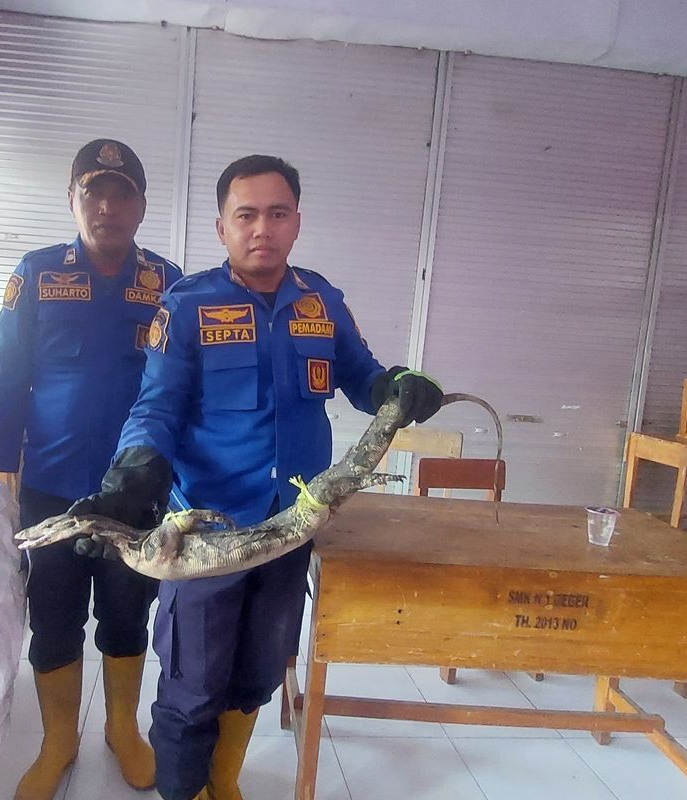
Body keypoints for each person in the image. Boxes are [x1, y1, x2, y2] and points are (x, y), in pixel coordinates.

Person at [70, 155, 444, 800]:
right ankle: (183, 790)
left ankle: (225, 782)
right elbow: (156, 404)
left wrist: (397, 385)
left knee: (258, 671)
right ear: (222, 228)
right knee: (192, 683)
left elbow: (362, 375)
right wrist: (132, 476)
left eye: (277, 213)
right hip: (211, 533)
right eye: (246, 215)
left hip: (292, 523)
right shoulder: (187, 305)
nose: (261, 229)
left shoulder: (321, 301)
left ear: (296, 221)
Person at [0, 139, 183, 800]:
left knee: (129, 614)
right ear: (72, 199)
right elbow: (4, 376)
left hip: (138, 492)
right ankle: (58, 741)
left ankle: (122, 731)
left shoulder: (167, 282)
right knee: (54, 615)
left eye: (121, 192)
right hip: (50, 484)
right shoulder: (38, 273)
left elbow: (181, 388)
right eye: (92, 191)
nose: (107, 206)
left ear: (140, 204)